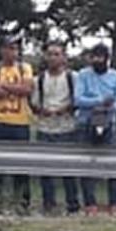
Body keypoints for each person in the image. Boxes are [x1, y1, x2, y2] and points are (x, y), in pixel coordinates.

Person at [74, 44, 116, 216]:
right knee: (86, 163)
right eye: (94, 57)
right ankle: (90, 204)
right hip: (86, 123)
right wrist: (99, 101)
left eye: (101, 57)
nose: (97, 60)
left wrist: (109, 106)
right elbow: (77, 99)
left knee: (114, 164)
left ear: (107, 58)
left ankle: (115, 203)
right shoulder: (83, 75)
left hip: (108, 123)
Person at [0, 37, 34, 215]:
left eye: (14, 48)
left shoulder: (24, 68)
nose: (11, 52)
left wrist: (4, 86)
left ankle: (22, 205)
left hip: (21, 122)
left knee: (22, 166)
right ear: (1, 50)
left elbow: (27, 90)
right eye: (7, 48)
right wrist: (15, 88)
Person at [30, 42, 80, 216]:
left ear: (64, 57)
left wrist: (63, 110)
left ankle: (72, 205)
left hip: (67, 127)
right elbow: (34, 103)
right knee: (45, 169)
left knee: (69, 169)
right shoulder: (39, 79)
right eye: (50, 54)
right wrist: (43, 111)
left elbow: (77, 101)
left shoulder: (73, 77)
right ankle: (48, 204)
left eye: (57, 54)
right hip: (45, 127)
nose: (53, 58)